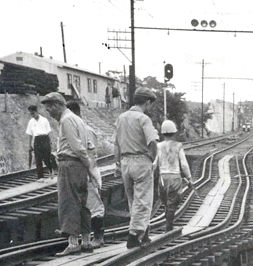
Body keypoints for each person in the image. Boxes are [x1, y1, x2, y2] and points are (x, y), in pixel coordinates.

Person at [40, 92, 93, 256]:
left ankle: (73, 243)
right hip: (78, 166)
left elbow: (77, 146)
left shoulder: (66, 120)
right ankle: (86, 241)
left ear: (56, 105)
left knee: (69, 201)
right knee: (82, 201)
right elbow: (85, 144)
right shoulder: (77, 119)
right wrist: (87, 165)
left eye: (49, 109)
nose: (50, 113)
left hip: (70, 164)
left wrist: (88, 164)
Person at [114, 86, 158, 249]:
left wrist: (117, 164)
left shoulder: (121, 118)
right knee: (144, 200)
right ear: (147, 102)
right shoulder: (143, 119)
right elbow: (152, 142)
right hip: (141, 161)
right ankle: (133, 236)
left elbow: (116, 144)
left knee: (133, 200)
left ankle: (144, 234)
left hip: (125, 161)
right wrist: (152, 159)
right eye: (150, 104)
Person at [66, 100, 105, 247]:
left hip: (88, 172)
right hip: (77, 172)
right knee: (81, 206)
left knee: (94, 205)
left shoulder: (86, 130)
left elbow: (91, 155)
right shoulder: (72, 129)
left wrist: (90, 174)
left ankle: (98, 237)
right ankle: (84, 238)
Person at [154, 120, 193, 231]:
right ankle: (169, 226)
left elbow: (155, 163)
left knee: (166, 202)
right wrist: (189, 178)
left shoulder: (159, 146)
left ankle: (168, 224)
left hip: (163, 177)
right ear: (174, 132)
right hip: (175, 177)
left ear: (162, 133)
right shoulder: (178, 146)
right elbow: (184, 164)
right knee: (173, 202)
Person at [26, 104, 56, 181]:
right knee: (38, 159)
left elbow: (49, 132)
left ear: (36, 111)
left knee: (46, 157)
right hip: (37, 140)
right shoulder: (31, 122)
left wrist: (50, 142)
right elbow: (30, 134)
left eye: (33, 113)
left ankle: (51, 169)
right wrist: (29, 145)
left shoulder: (44, 120)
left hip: (45, 138)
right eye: (30, 114)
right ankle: (40, 177)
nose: (32, 115)